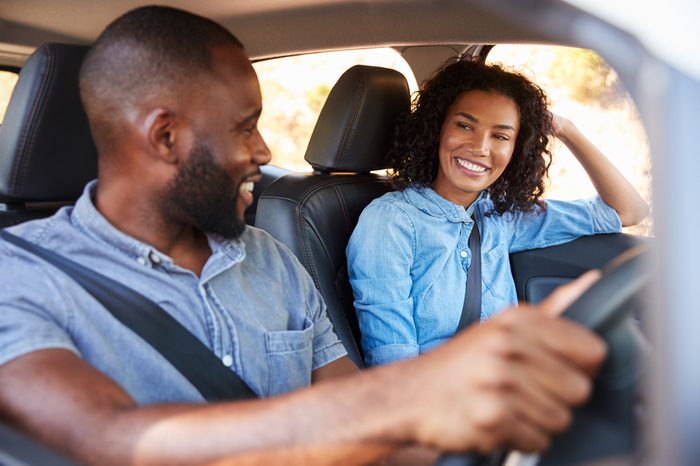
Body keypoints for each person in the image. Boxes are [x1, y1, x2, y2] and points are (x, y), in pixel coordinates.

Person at [0, 7, 607, 466]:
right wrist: (416, 393)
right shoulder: (19, 277)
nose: (265, 155)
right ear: (165, 138)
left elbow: (362, 422)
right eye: (245, 129)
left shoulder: (269, 259)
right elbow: (111, 437)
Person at [347, 58, 648, 367]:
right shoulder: (389, 222)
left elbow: (628, 210)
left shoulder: (501, 216)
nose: (480, 147)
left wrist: (568, 131)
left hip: (510, 385)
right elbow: (394, 365)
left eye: (501, 136)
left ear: (517, 150)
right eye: (464, 125)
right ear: (437, 129)